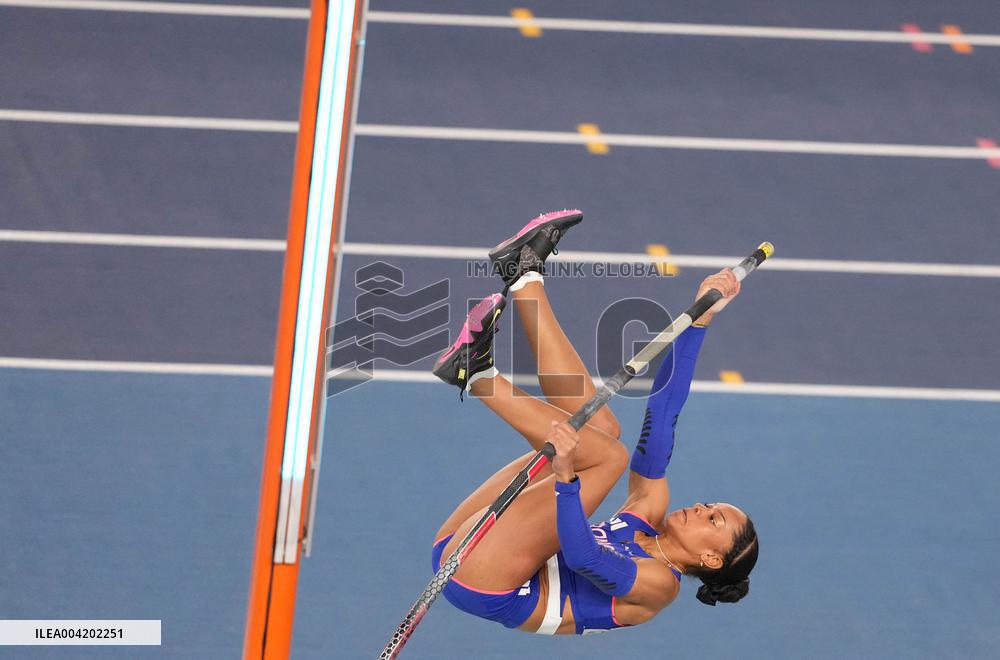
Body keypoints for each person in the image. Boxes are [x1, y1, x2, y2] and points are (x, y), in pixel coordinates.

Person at [430, 210, 759, 635]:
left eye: (713, 520)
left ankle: (476, 376)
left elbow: (584, 557)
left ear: (712, 559)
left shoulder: (659, 587)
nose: (701, 508)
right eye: (711, 506)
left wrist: (566, 479)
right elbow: (662, 419)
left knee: (604, 458)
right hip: (468, 543)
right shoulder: (647, 517)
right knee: (603, 433)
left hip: (483, 581)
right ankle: (524, 274)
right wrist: (699, 323)